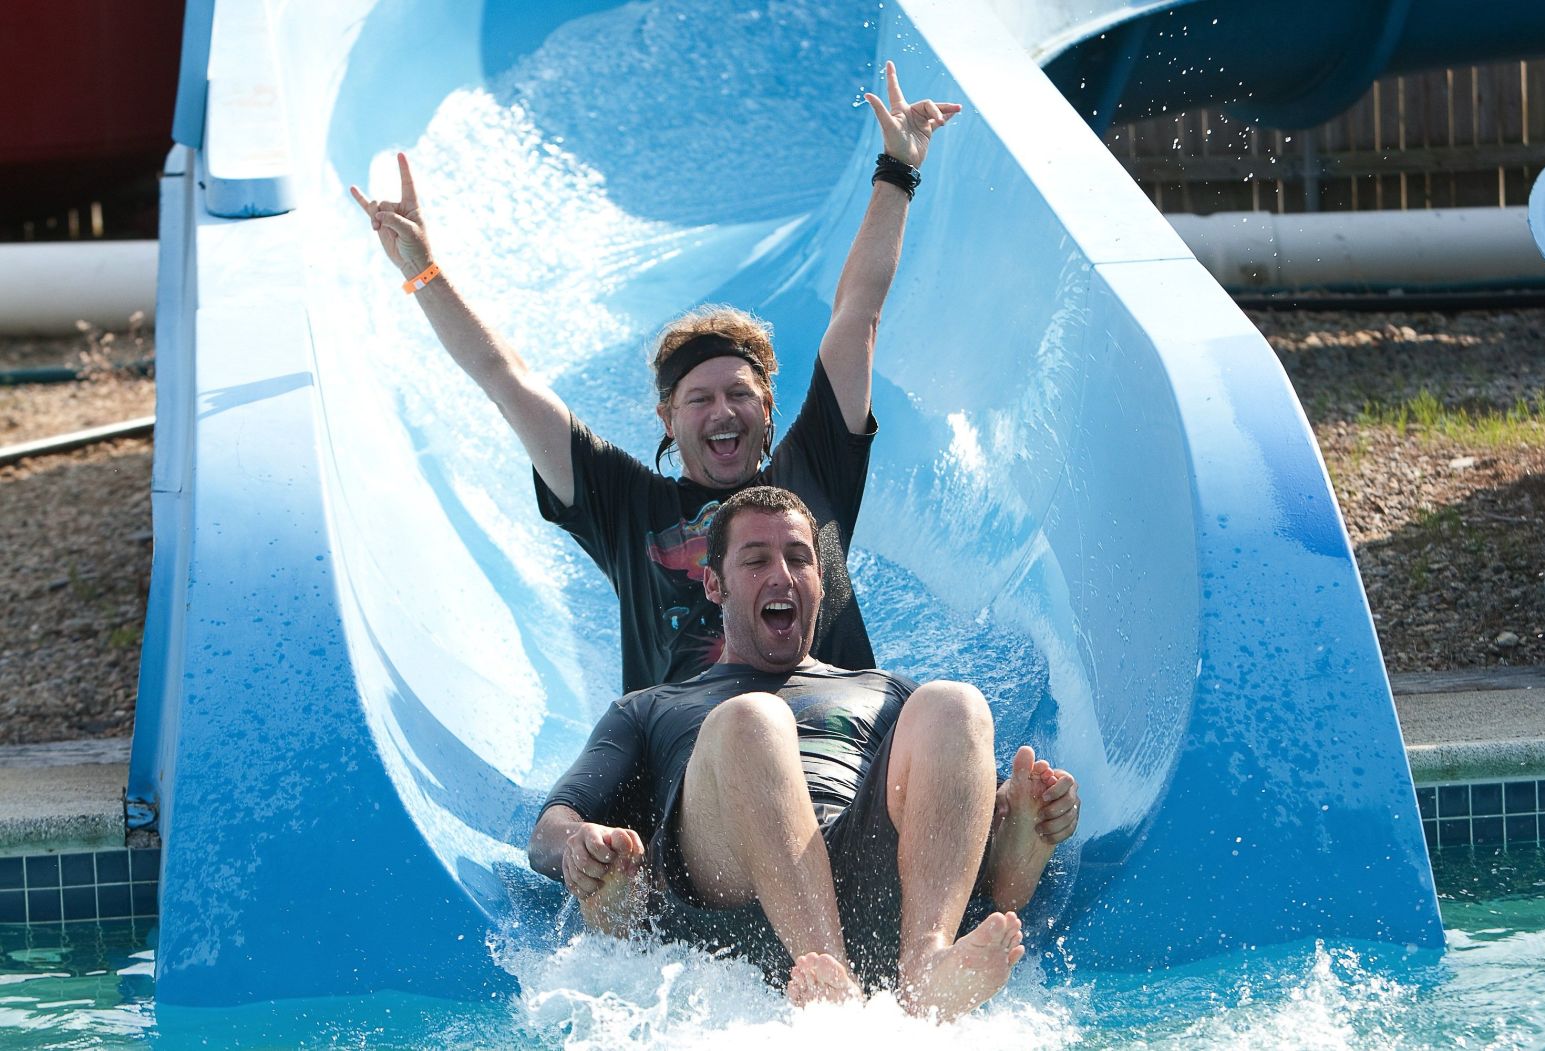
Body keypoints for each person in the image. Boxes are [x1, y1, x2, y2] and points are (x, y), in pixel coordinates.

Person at [350, 62, 961, 692]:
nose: (722, 411)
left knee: (949, 707)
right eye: (699, 399)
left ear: (768, 408)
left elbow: (857, 315)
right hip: (692, 759)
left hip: (840, 737)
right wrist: (424, 273)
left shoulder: (814, 473)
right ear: (668, 418)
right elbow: (505, 379)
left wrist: (897, 168)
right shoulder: (624, 505)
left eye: (738, 394)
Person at [527, 487, 1082, 1020]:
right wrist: (579, 842)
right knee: (753, 718)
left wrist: (1018, 804)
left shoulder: (885, 689)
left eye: (799, 558)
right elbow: (552, 825)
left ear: (822, 581)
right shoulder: (649, 707)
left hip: (867, 880)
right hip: (732, 890)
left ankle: (927, 963)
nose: (783, 575)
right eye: (756, 559)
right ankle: (827, 977)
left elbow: (943, 805)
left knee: (955, 703)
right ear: (714, 584)